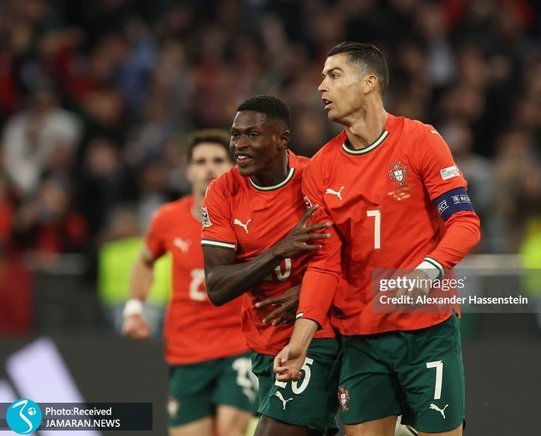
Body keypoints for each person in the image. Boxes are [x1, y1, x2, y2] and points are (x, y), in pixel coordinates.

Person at [274, 42, 481, 436]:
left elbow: (465, 223)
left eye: (334, 75)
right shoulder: (320, 170)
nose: (321, 86)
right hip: (361, 335)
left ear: (369, 83)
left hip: (427, 328)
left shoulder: (421, 140)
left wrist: (427, 270)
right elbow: (324, 263)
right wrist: (301, 338)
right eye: (322, 77)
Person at [201, 95, 341, 436]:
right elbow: (217, 286)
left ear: (282, 139)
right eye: (236, 135)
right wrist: (278, 250)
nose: (239, 145)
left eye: (252, 135)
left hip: (319, 336)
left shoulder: (315, 178)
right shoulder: (222, 192)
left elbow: (352, 256)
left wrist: (309, 293)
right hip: (264, 340)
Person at [121, 130, 257, 436]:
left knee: (231, 430)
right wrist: (133, 310)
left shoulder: (251, 216)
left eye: (218, 160)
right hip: (187, 349)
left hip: (239, 344)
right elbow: (144, 261)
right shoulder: (167, 218)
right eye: (200, 161)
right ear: (188, 171)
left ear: (233, 167)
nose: (209, 168)